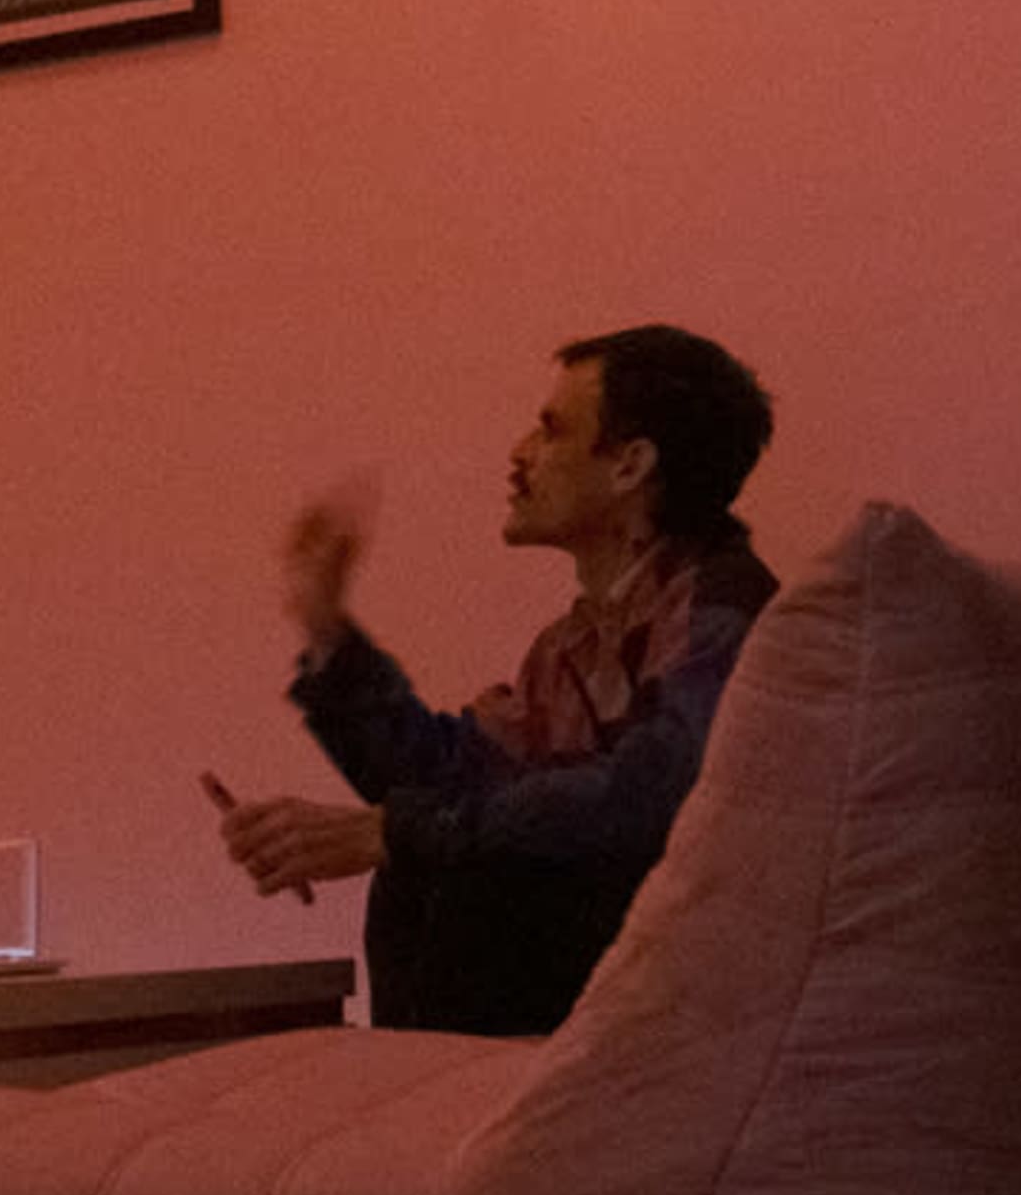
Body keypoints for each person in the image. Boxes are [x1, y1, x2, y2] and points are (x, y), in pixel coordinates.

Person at [216, 323, 777, 1035]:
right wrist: (327, 630)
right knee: (430, 864)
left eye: (551, 431)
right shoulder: (569, 647)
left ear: (630, 465)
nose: (519, 456)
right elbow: (451, 777)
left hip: (677, 1008)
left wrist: (401, 832)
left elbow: (656, 792)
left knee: (456, 874)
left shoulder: (721, 609)